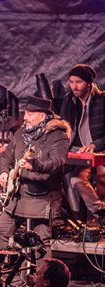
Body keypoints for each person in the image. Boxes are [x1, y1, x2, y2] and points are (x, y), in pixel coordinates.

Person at [0, 96, 71, 255]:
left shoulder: (57, 136)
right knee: (0, 230)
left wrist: (36, 165)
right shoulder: (20, 134)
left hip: (42, 197)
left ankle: (44, 279)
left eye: (29, 113)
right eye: (25, 113)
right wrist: (3, 173)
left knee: (40, 242)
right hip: (17, 196)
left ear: (42, 115)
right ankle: (0, 276)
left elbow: (57, 162)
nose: (25, 117)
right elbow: (6, 157)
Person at [59, 64, 105, 219]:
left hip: (100, 152)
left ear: (89, 83)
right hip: (78, 153)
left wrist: (95, 145)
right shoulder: (69, 100)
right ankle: (99, 212)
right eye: (71, 82)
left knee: (98, 177)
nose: (74, 86)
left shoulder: (102, 100)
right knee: (70, 179)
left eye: (78, 82)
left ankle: (99, 212)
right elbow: (63, 127)